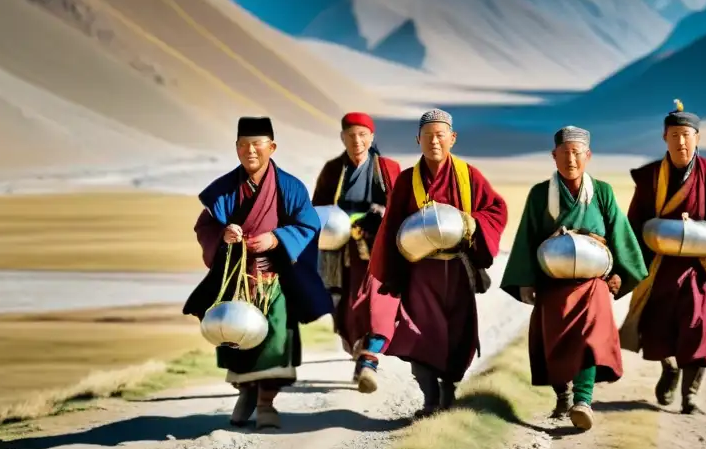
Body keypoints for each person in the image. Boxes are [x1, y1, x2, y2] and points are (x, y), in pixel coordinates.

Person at [183, 116, 333, 430]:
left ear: (272, 147)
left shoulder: (290, 187)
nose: (250, 151)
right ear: (236, 148)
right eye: (243, 145)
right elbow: (205, 227)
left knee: (275, 343)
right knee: (235, 339)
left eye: (257, 144)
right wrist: (224, 234)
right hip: (235, 279)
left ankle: (266, 404)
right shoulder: (224, 189)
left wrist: (277, 238)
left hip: (273, 279)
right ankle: (245, 393)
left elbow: (308, 224)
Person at [361, 109, 508, 418]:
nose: (434, 141)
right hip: (421, 274)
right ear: (418, 140)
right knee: (419, 334)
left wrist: (472, 223)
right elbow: (392, 227)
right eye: (427, 136)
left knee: (457, 336)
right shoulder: (406, 180)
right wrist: (391, 270)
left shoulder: (469, 176)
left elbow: (496, 208)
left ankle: (448, 393)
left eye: (440, 135)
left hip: (457, 271)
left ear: (452, 138)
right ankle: (429, 400)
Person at [500, 126, 647, 430]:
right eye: (564, 153)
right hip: (552, 281)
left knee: (590, 340)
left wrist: (620, 272)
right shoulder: (541, 193)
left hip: (593, 282)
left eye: (577, 153)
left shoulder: (602, 192)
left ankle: (583, 400)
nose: (571, 159)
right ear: (554, 156)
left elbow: (620, 233)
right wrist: (526, 280)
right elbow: (527, 237)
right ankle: (562, 395)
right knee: (555, 343)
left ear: (588, 156)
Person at [621, 101, 706, 415]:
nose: (681, 141)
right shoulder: (650, 177)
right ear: (664, 138)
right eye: (674, 135)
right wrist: (631, 262)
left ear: (697, 138)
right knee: (656, 328)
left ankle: (690, 396)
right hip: (659, 265)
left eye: (687, 134)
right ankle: (669, 368)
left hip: (700, 269)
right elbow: (635, 221)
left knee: (698, 329)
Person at [311, 112, 402, 390]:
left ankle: (369, 360)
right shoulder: (333, 170)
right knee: (349, 309)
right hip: (344, 253)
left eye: (362, 135)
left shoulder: (388, 168)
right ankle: (360, 353)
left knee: (381, 305)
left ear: (372, 137)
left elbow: (400, 207)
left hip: (379, 251)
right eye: (351, 135)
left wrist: (381, 214)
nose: (357, 141)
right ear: (342, 138)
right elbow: (319, 210)